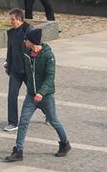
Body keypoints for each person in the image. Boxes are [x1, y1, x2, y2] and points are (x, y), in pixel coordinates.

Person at [5, 28, 70, 160]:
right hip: (31, 95)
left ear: (32, 41)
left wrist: (41, 92)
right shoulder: (27, 53)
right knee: (23, 121)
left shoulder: (48, 55)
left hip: (46, 96)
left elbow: (50, 77)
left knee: (54, 121)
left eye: (26, 40)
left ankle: (65, 143)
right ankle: (18, 150)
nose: (24, 41)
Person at [1, 8, 28, 132]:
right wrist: (8, 64)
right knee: (12, 96)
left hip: (28, 70)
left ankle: (49, 114)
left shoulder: (29, 30)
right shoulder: (11, 33)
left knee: (36, 94)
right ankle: (12, 122)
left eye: (12, 19)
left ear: (19, 19)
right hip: (15, 70)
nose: (11, 22)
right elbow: (10, 51)